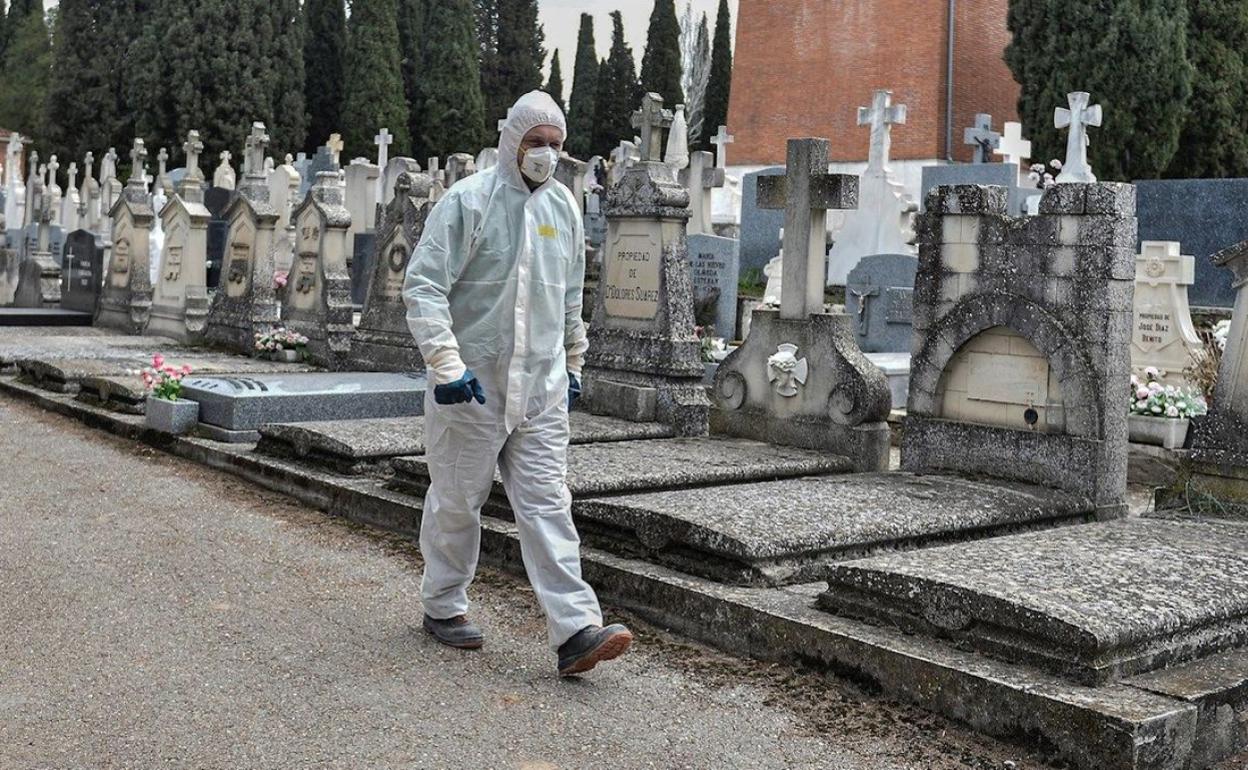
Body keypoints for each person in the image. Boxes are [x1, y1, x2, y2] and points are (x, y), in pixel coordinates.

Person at [403, 91, 633, 676]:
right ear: (513, 143)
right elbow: (425, 287)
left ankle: (576, 629)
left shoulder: (564, 209)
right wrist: (446, 365)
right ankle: (443, 604)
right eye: (537, 144)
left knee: (549, 504)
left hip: (541, 390)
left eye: (557, 145)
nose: (547, 155)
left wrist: (575, 364)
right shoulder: (468, 203)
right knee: (458, 500)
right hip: (472, 387)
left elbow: (571, 299)